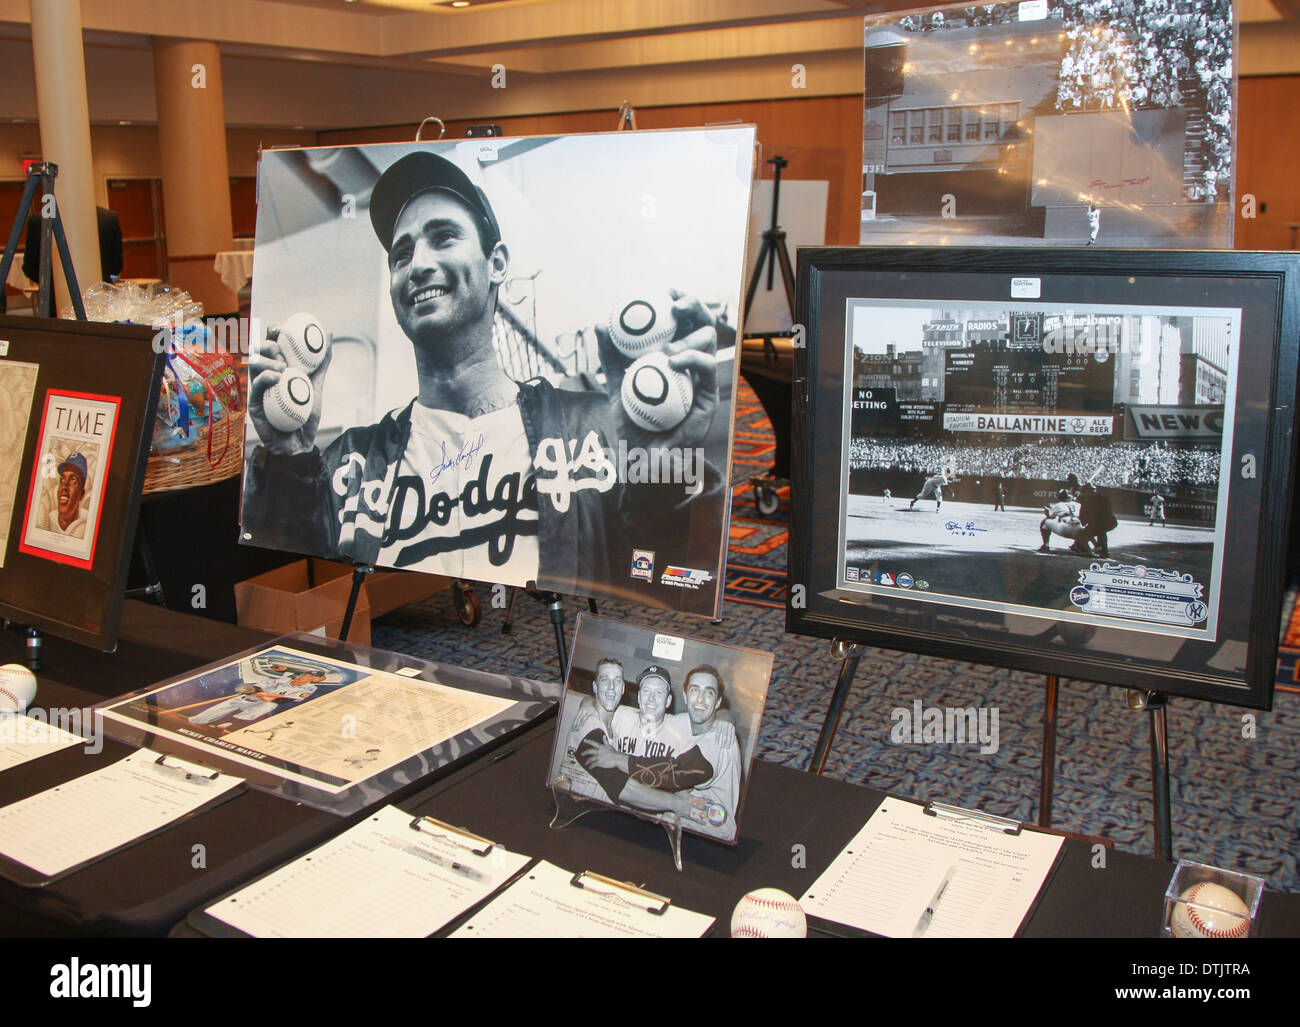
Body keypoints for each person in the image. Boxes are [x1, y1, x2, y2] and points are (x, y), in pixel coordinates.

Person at [241, 151, 724, 596]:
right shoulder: (349, 462)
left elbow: (671, 581)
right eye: (401, 254)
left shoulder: (596, 429)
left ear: (497, 263)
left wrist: (660, 471)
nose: (418, 265)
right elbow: (291, 604)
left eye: (444, 237)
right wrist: (289, 462)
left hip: (542, 672)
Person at [18, 206, 124, 317]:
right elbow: (116, 266)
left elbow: (31, 268)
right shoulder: (108, 218)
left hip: (54, 303)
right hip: (101, 300)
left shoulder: (39, 220)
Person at [555, 657, 627, 800]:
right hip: (577, 807)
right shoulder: (588, 723)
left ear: (623, 688)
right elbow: (622, 787)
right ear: (595, 686)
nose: (612, 687)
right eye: (605, 680)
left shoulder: (617, 732)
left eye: (617, 681)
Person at [188, 669, 325, 728]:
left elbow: (282, 699)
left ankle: (230, 723)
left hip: (264, 703)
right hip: (251, 698)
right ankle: (197, 721)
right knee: (197, 720)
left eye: (312, 677)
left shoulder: (310, 689)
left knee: (270, 706)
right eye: (307, 675)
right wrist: (252, 690)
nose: (307, 678)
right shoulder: (281, 679)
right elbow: (258, 687)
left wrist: (263, 694)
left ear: (316, 680)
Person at [38, 452, 88, 537]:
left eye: (73, 479)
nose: (64, 486)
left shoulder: (88, 523)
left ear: (82, 494)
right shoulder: (47, 521)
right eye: (63, 479)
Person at [1076, 479, 1118, 557]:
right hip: (1111, 522)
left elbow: (1083, 519)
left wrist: (1084, 522)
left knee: (1081, 535)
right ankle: (1103, 550)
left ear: (1086, 492)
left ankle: (1089, 552)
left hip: (1100, 523)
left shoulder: (1086, 500)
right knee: (1101, 531)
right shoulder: (1103, 498)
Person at [1037, 488, 1083, 553]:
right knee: (1082, 524)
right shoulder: (1079, 505)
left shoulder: (1058, 505)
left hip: (1065, 530)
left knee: (1045, 522)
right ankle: (1078, 545)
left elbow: (1050, 516)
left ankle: (1046, 545)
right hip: (1080, 531)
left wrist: (1047, 510)